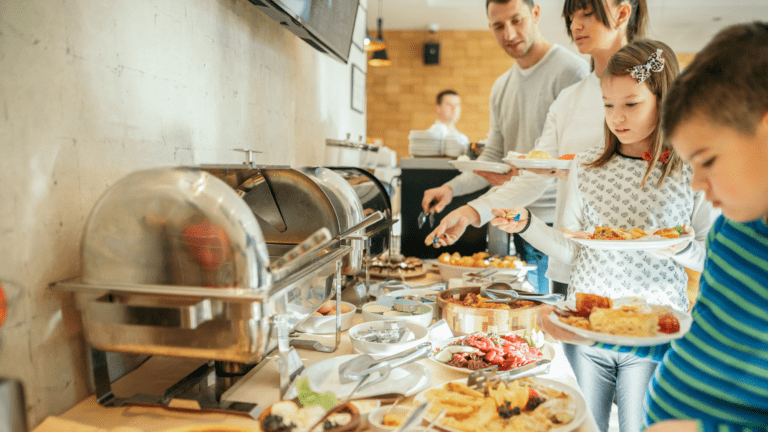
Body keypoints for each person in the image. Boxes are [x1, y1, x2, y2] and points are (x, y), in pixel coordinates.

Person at [539, 22, 768, 432]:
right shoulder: (731, 235)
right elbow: (701, 351)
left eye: (708, 160)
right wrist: (595, 335)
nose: (696, 183)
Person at [490, 39, 718, 432]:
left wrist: (679, 247)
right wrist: (526, 223)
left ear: (664, 101)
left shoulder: (689, 170)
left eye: (631, 104)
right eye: (608, 104)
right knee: (579, 426)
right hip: (585, 323)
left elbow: (711, 257)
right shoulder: (587, 165)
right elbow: (570, 249)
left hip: (650, 329)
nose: (617, 117)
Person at [456, 0, 650, 297]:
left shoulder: (654, 91)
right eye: (571, 17)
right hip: (568, 262)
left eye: (587, 14)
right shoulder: (569, 99)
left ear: (623, 13)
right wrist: (471, 212)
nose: (575, 25)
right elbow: (535, 174)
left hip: (634, 268)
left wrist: (578, 169)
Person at [422, 0, 590, 293]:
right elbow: (492, 158)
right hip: (513, 216)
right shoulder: (501, 87)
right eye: (499, 26)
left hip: (557, 225)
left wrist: (475, 209)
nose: (509, 34)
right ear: (490, 27)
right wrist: (452, 189)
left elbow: (570, 161)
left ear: (535, 13)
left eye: (517, 20)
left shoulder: (572, 72)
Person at [428, 90, 470, 156]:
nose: (454, 109)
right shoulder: (428, 137)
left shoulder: (463, 138)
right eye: (449, 105)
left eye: (457, 105)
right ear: (438, 108)